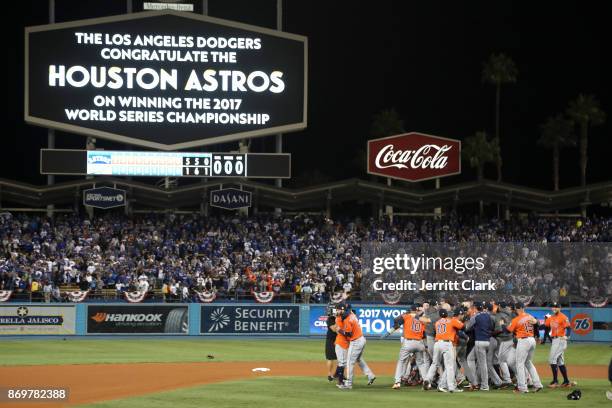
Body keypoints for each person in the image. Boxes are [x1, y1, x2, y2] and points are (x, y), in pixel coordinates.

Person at [501, 302, 543, 393]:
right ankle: (537, 384)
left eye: (516, 308)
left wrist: (502, 325)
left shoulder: (516, 319)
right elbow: (537, 323)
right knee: (528, 362)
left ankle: (522, 388)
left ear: (518, 308)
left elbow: (508, 331)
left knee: (519, 364)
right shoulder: (529, 316)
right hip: (532, 340)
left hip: (523, 341)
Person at [422, 309, 464, 393]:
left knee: (434, 363)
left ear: (440, 315)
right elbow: (462, 326)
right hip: (447, 344)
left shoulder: (437, 323)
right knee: (450, 366)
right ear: (447, 314)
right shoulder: (451, 321)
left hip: (437, 343)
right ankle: (451, 387)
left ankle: (427, 379)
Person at [337, 303, 376, 390]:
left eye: (340, 310)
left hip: (356, 341)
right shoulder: (352, 315)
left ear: (344, 310)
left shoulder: (347, 319)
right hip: (361, 339)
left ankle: (348, 384)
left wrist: (339, 330)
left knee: (349, 362)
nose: (338, 311)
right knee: (358, 359)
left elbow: (348, 334)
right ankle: (370, 375)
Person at [391, 303, 431, 389]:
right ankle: (426, 381)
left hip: (408, 342)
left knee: (401, 361)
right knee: (421, 363)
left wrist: (394, 327)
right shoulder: (421, 319)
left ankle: (397, 382)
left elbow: (396, 320)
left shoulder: (406, 316)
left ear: (410, 309)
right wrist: (425, 346)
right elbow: (423, 334)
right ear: (417, 310)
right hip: (419, 343)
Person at [545, 302, 574, 388]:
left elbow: (568, 328)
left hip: (560, 340)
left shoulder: (563, 317)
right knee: (560, 361)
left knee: (552, 359)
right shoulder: (551, 317)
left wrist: (567, 336)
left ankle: (555, 381)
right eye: (553, 307)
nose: (554, 308)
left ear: (560, 308)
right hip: (554, 340)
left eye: (556, 307)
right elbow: (545, 326)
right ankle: (566, 381)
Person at [324, 304, 338, 382]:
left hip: (339, 340)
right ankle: (329, 374)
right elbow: (334, 329)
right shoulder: (330, 319)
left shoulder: (339, 318)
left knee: (342, 359)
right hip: (331, 340)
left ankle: (339, 374)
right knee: (330, 358)